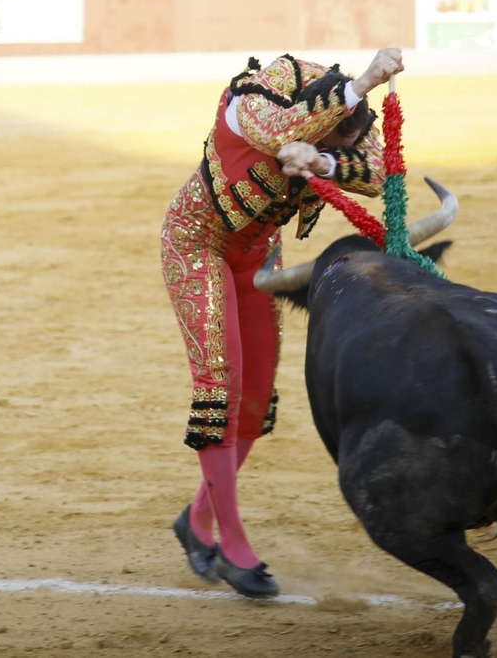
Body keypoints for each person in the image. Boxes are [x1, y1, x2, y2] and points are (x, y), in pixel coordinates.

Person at [163, 49, 402, 598]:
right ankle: (231, 543)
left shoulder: (342, 119)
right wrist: (363, 81)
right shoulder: (267, 89)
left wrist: (326, 165)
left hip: (255, 257)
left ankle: (197, 519)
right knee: (218, 388)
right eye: (324, 141)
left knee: (255, 399)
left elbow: (383, 170)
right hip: (197, 244)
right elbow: (274, 130)